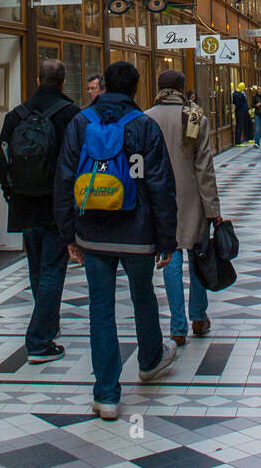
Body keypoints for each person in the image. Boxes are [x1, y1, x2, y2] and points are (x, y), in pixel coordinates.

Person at [54, 60, 178, 421]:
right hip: (137, 233)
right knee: (142, 296)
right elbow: (160, 186)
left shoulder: (81, 122)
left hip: (92, 233)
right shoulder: (144, 126)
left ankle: (106, 394)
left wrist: (68, 234)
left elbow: (64, 179)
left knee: (100, 308)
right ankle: (150, 359)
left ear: (105, 86)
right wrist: (166, 239)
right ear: (136, 89)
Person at [0, 59, 80, 363]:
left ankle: (48, 325)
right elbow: (79, 161)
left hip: (25, 204)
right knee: (53, 269)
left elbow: (1, 158)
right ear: (63, 81)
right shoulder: (71, 115)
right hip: (57, 205)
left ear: (37, 79)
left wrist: (11, 194)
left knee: (36, 268)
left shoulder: (15, 116)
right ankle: (40, 341)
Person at [145, 70, 222, 344]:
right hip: (193, 198)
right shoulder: (194, 116)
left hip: (159, 198)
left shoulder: (147, 117)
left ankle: (177, 327)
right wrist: (213, 209)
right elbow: (204, 167)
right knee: (198, 255)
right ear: (182, 88)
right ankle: (199, 317)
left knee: (171, 257)